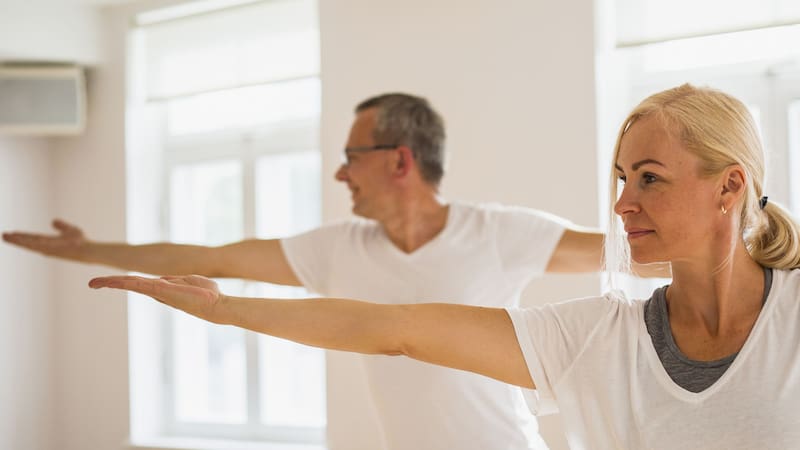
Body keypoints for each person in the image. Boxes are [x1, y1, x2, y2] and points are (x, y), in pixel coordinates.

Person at [82, 84, 800, 449]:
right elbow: (394, 328)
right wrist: (222, 309)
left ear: (730, 185)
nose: (622, 204)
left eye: (648, 178)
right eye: (619, 179)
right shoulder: (595, 337)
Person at [2, 93, 641, 450]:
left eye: (350, 158)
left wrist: (741, 240)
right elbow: (212, 257)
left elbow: (626, 251)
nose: (339, 174)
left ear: (399, 160)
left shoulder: (499, 232)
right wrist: (90, 250)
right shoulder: (338, 248)